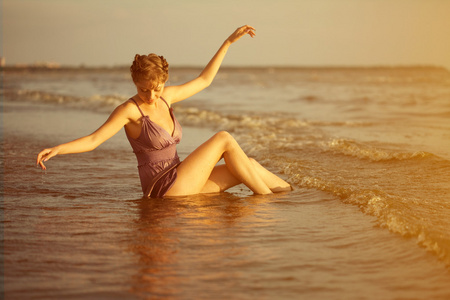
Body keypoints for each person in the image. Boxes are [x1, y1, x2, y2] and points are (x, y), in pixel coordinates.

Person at [36, 25, 292, 198]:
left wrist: (228, 42)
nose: (150, 96)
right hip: (163, 188)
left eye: (156, 89)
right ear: (135, 83)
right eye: (143, 89)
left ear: (164, 82)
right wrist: (58, 148)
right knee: (224, 138)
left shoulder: (166, 98)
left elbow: (204, 80)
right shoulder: (129, 110)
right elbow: (93, 140)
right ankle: (267, 203)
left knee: (251, 165)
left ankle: (292, 194)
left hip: (182, 179)